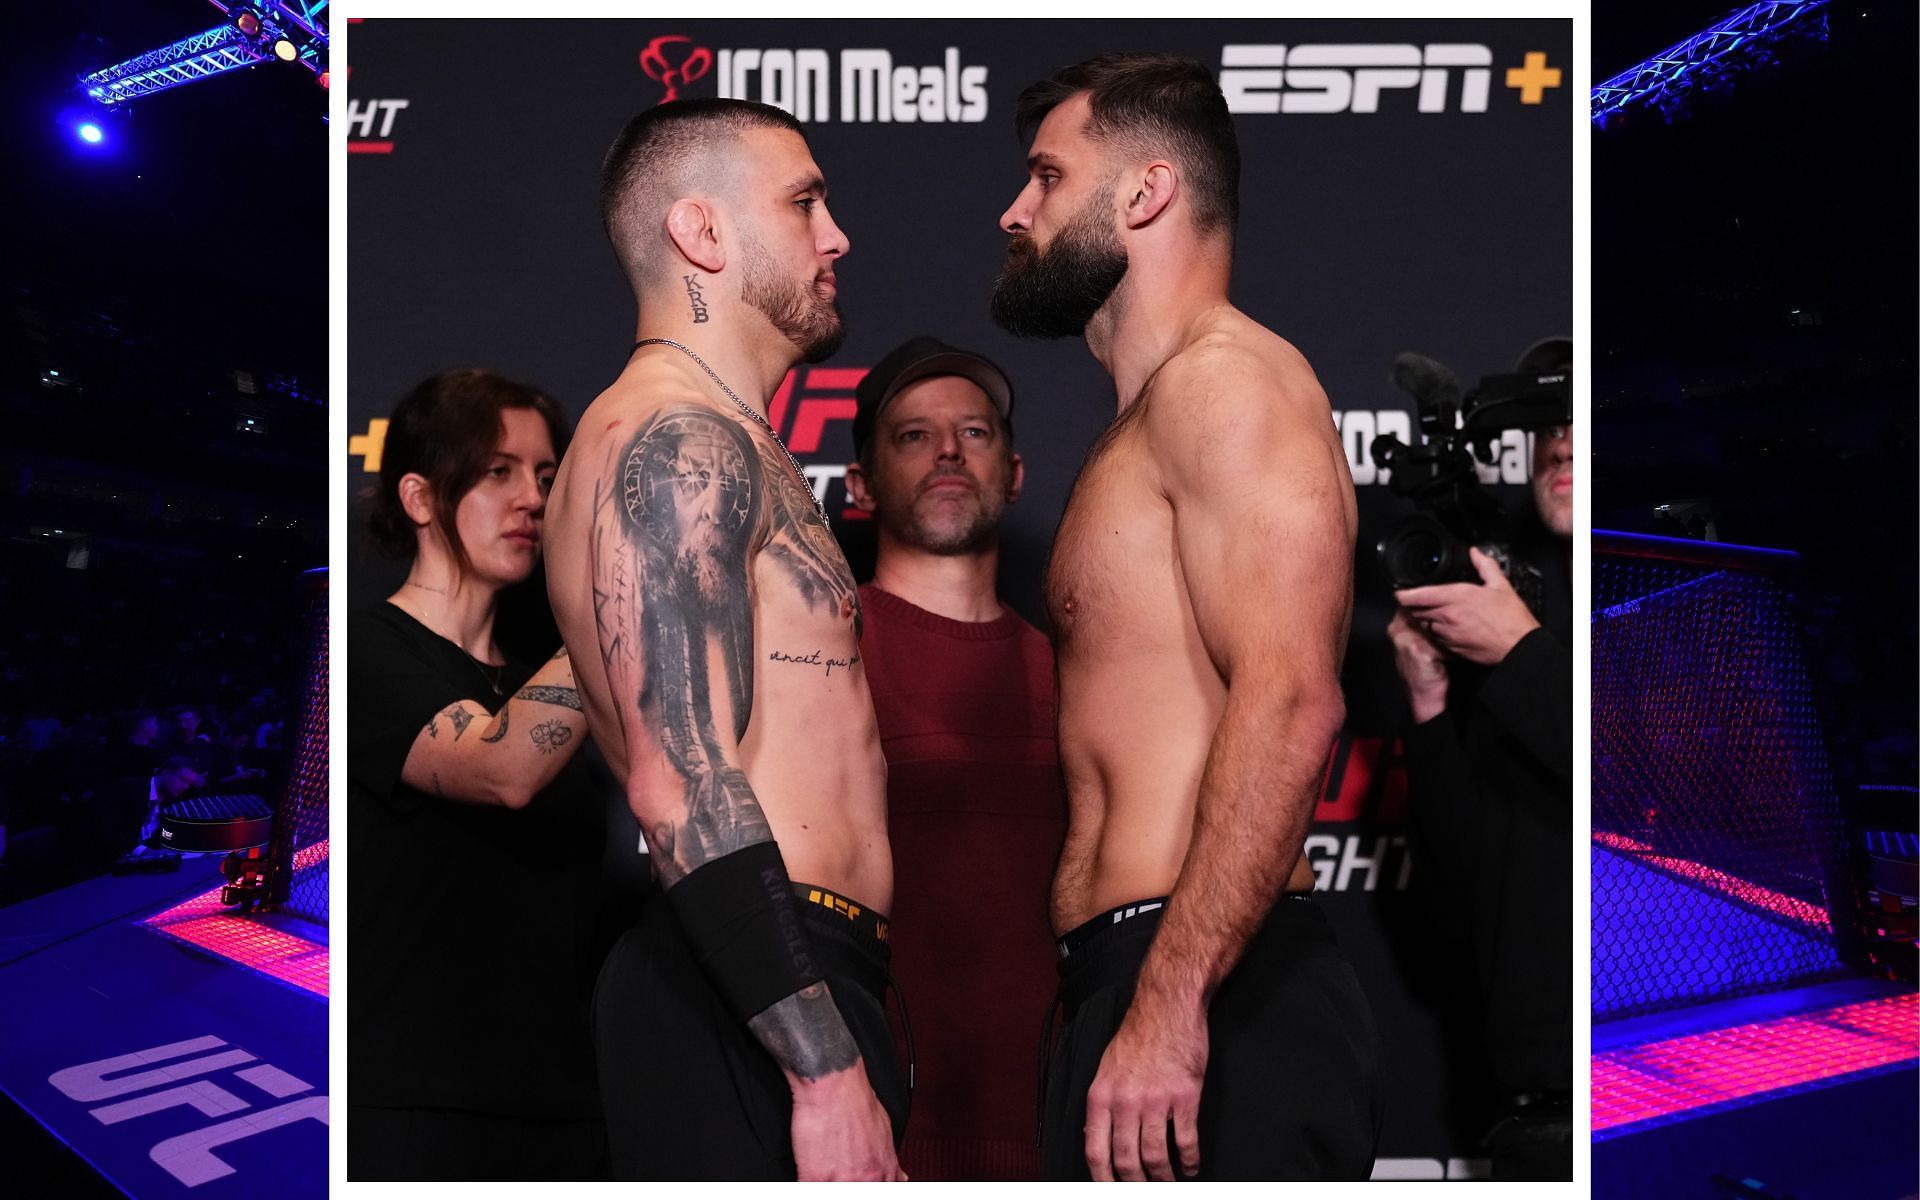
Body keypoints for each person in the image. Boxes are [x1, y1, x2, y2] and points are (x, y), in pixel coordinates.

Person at [990, 53, 1385, 1182]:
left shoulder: (1227, 384)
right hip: (1141, 986)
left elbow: (1296, 696)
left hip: (1217, 997)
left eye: (1048, 178)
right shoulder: (1145, 420)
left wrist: (1170, 1005)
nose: (1015, 210)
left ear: (1145, 191)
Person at [543, 98, 905, 1182]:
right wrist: (825, 1071)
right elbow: (679, 781)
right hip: (751, 988)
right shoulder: (675, 438)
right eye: (804, 202)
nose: (836, 234)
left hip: (786, 974)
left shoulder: (726, 439)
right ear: (701, 234)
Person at [347, 368, 606, 1181]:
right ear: (421, 497)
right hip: (415, 1110)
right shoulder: (365, 650)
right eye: (497, 472)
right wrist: (623, 593)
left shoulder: (543, 677)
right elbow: (502, 768)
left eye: (544, 475)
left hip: (570, 1105)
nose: (531, 497)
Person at [841, 336, 1067, 1180]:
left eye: (973, 433)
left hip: (1059, 1138)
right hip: (868, 1142)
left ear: (1012, 472)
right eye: (913, 435)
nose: (946, 450)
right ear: (858, 486)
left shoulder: (1081, 674)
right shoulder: (814, 657)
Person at [1386, 337, 1573, 1181]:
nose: (1564, 441)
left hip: (1652, 1074)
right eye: (1548, 429)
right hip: (1526, 1108)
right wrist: (1428, 704)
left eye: (1584, 424)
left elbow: (1648, 793)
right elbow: (1461, 902)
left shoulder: (1684, 600)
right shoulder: (1516, 623)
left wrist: (1522, 653)